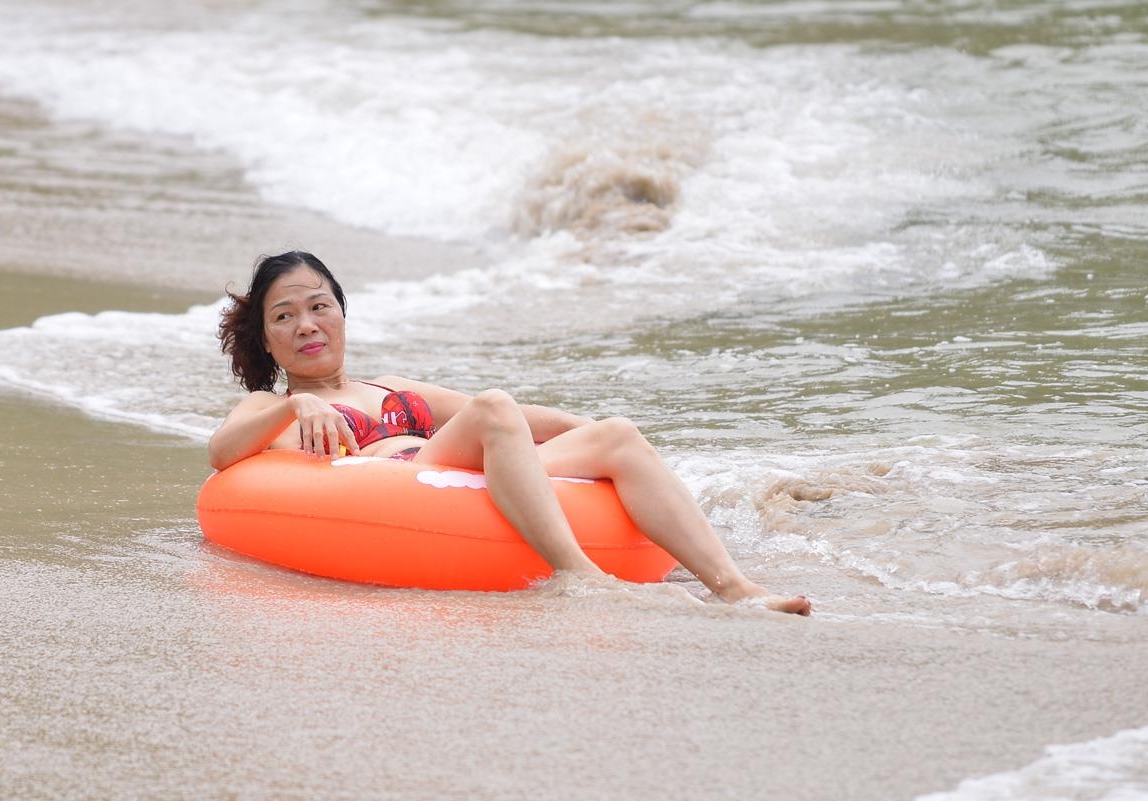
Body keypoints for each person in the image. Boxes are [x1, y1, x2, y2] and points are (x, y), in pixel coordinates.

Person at [207, 251, 813, 614]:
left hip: (463, 477)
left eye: (319, 306)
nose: (306, 325)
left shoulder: (389, 387)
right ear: (266, 339)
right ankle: (580, 574)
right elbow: (222, 452)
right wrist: (295, 410)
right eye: (284, 317)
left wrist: (586, 430)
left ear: (342, 312)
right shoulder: (273, 405)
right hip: (399, 485)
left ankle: (734, 587)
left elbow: (502, 415)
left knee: (618, 434)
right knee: (495, 408)